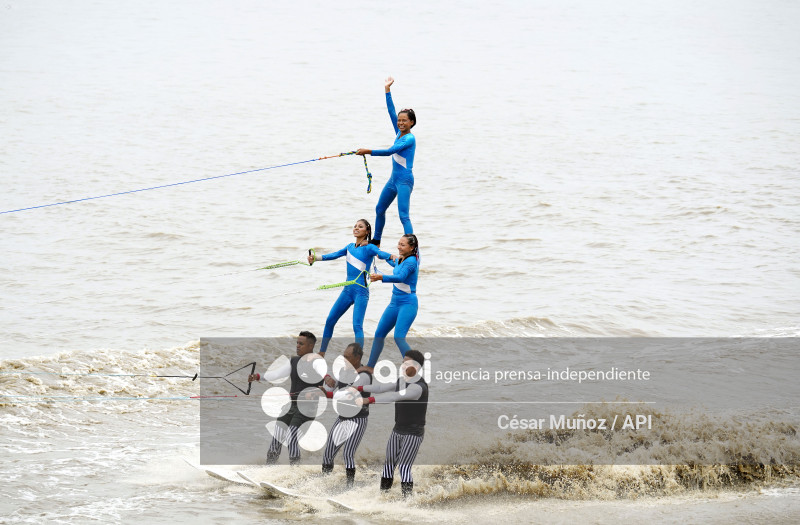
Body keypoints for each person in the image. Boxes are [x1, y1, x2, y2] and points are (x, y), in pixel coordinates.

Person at [308, 219, 393, 356]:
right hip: (347, 291)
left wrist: (391, 256)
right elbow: (333, 255)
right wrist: (315, 258)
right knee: (330, 320)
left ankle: (357, 358)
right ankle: (322, 353)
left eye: (360, 227)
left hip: (361, 291)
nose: (356, 228)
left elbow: (380, 254)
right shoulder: (349, 247)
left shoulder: (369, 248)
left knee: (357, 326)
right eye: (355, 226)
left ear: (367, 231)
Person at [356, 350, 428, 497]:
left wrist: (368, 400)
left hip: (413, 433)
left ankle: (407, 501)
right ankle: (383, 497)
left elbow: (394, 396)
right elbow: (382, 388)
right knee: (388, 464)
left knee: (404, 467)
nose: (402, 366)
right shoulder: (402, 381)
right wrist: (358, 388)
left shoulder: (418, 387)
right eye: (402, 363)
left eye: (406, 363)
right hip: (397, 429)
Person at [248, 331, 326, 465]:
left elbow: (329, 384)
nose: (297, 346)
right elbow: (276, 374)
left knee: (291, 436)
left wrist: (317, 391)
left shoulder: (318, 363)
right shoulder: (294, 361)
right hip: (291, 405)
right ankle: (269, 466)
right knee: (277, 434)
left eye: (301, 344)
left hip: (307, 408)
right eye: (297, 343)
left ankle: (294, 471)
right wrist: (258, 376)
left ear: (310, 346)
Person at [356, 76, 417, 247]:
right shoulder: (399, 132)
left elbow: (390, 151)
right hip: (393, 180)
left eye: (404, 120)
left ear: (411, 122)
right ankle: (376, 240)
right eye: (399, 120)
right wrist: (387, 90)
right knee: (379, 209)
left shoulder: (409, 139)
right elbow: (391, 111)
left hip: (405, 181)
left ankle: (412, 247)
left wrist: (368, 151)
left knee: (403, 215)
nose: (400, 123)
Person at [318, 342, 373, 488]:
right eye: (343, 357)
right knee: (328, 453)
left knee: (348, 453)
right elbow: (332, 388)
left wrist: (331, 394)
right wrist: (324, 389)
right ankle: (324, 484)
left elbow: (347, 394)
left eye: (348, 358)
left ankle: (349, 487)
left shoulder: (364, 376)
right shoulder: (342, 371)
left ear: (358, 358)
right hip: (342, 418)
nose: (344, 360)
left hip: (358, 420)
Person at [364, 234, 419, 369]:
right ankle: (370, 367)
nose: (399, 247)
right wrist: (378, 252)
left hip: (408, 303)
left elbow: (400, 277)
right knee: (379, 334)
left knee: (399, 337)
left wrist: (381, 277)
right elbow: (392, 261)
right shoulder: (401, 259)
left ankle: (413, 366)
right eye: (398, 243)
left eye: (403, 245)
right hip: (394, 304)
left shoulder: (411, 262)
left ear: (412, 247)